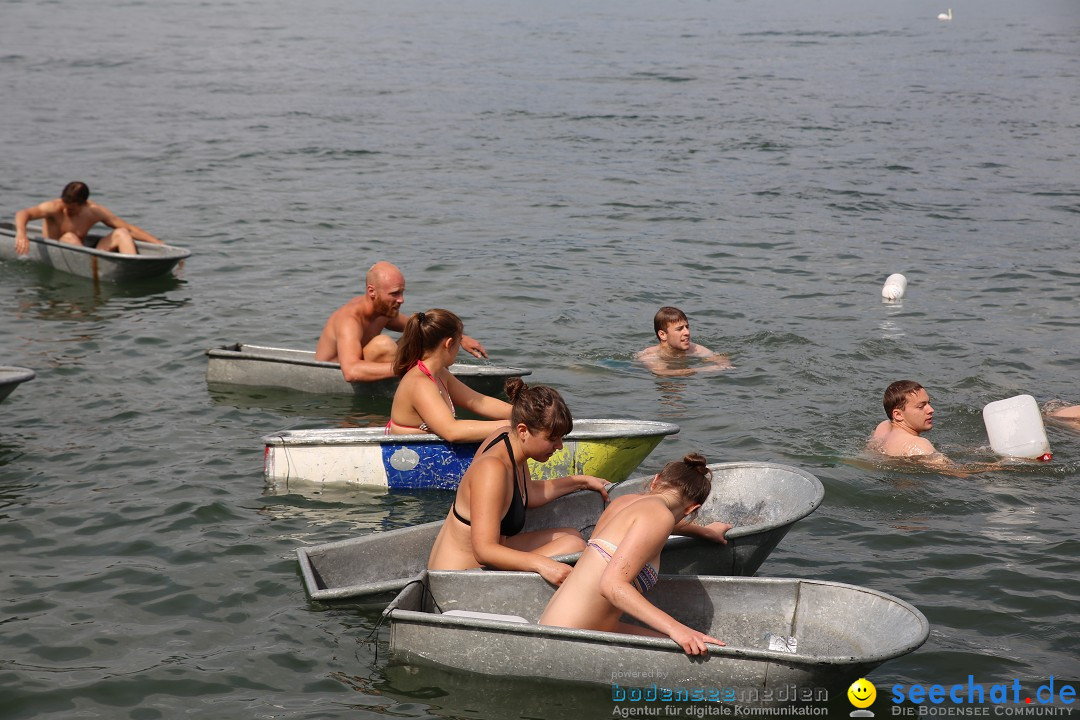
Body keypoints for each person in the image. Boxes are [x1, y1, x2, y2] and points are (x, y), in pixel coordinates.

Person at [539, 453, 732, 656]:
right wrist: (678, 629)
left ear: (655, 481)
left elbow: (653, 523)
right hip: (571, 642)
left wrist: (705, 531)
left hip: (557, 627)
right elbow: (611, 585)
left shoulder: (624, 503)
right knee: (696, 649)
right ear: (692, 508)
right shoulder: (659, 516)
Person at [427, 378, 610, 586]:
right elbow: (483, 550)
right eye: (552, 439)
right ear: (523, 431)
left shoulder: (508, 439)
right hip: (457, 580)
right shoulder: (492, 470)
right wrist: (541, 565)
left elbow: (527, 493)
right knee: (573, 545)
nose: (559, 446)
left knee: (571, 536)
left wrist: (581, 482)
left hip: (482, 563)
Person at [314, 261, 487, 383]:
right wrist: (410, 367)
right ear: (372, 291)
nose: (401, 300)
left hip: (373, 369)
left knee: (415, 335)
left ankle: (433, 377)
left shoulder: (383, 310)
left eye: (402, 292)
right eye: (395, 294)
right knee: (383, 344)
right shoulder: (350, 320)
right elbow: (351, 372)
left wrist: (459, 338)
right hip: (339, 373)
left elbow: (420, 324)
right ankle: (424, 380)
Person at [387, 308, 512, 441]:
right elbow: (452, 431)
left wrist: (525, 414)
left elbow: (478, 402)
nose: (459, 349)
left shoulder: (440, 373)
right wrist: (512, 426)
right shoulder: (420, 382)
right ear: (449, 343)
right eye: (459, 343)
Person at [12, 181, 162, 257]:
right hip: (57, 251)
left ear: (83, 204)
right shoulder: (53, 207)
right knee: (69, 237)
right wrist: (21, 233)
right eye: (65, 205)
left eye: (71, 208)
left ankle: (132, 267)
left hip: (85, 254)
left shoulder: (93, 211)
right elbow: (23, 213)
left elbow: (129, 228)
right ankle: (91, 265)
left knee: (122, 232)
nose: (66, 210)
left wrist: (158, 244)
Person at [636, 306, 732, 377]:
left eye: (687, 327)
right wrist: (704, 369)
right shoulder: (650, 355)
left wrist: (723, 365)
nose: (687, 332)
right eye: (679, 329)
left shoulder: (693, 349)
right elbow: (663, 373)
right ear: (663, 335)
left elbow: (720, 358)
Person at [867, 380, 940, 459]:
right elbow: (950, 471)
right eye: (921, 406)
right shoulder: (920, 446)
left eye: (928, 403)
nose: (931, 410)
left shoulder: (882, 427)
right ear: (898, 415)